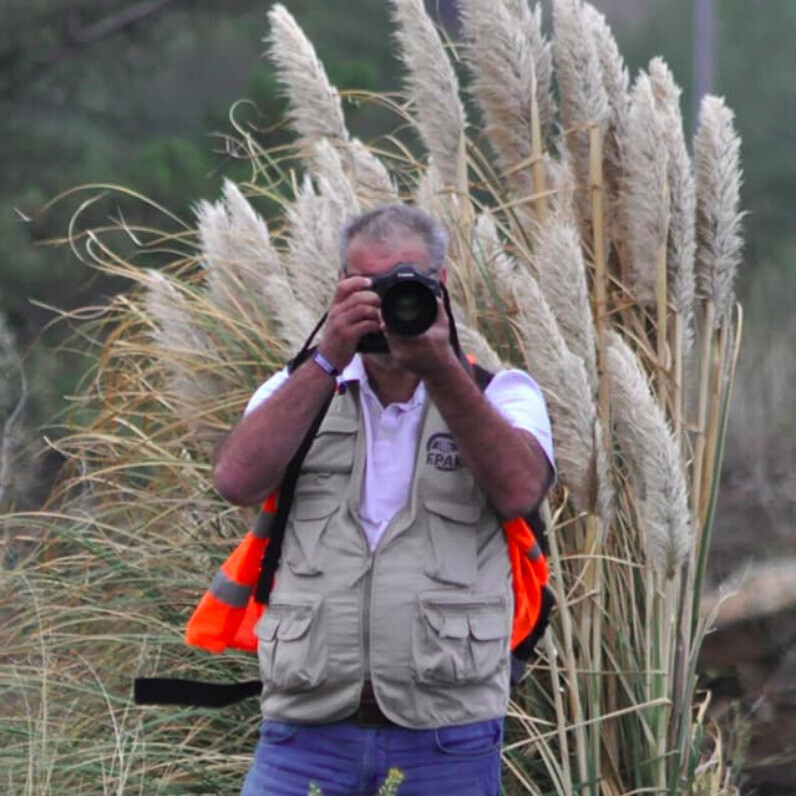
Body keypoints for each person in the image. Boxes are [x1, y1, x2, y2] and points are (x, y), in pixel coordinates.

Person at [212, 204, 555, 796]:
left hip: (448, 736)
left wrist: (438, 366)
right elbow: (236, 481)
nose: (389, 304)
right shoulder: (297, 388)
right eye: (367, 287)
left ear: (440, 286)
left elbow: (521, 490)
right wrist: (327, 358)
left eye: (405, 284)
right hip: (304, 733)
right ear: (340, 290)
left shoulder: (501, 393)